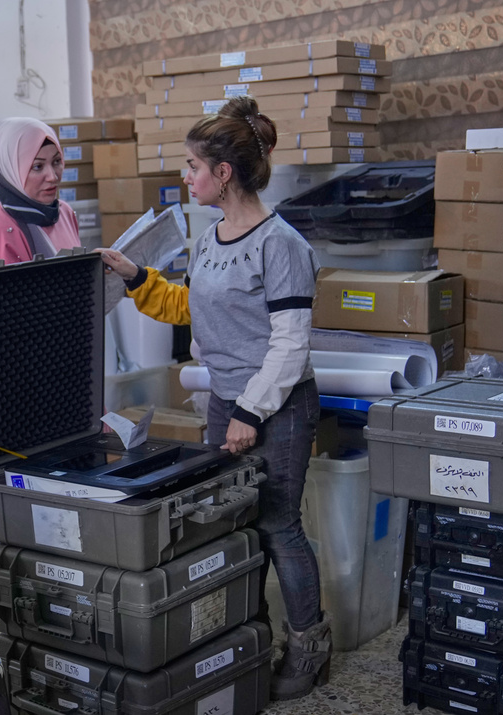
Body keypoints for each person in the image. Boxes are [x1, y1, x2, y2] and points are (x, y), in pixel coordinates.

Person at [97, 95, 329, 701]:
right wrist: (135, 278)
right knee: (231, 526)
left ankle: (308, 649)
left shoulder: (280, 245)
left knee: (278, 526)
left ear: (223, 174)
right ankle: (244, 641)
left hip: (276, 405)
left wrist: (250, 413)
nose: (186, 176)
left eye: (194, 166)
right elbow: (189, 307)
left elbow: (291, 344)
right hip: (228, 401)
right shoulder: (212, 237)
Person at [0, 117, 80, 264]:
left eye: (56, 162)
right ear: (11, 171)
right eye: (37, 166)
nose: (53, 176)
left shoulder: (64, 213)